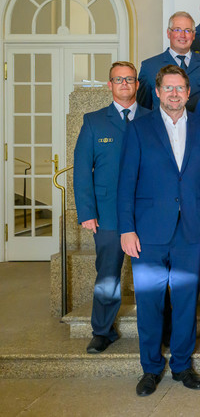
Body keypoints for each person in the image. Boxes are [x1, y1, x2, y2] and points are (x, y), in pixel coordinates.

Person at [118, 64, 200, 396]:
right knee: (150, 302)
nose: (174, 94)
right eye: (168, 88)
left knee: (187, 300)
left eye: (180, 88)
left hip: (191, 227)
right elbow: (125, 182)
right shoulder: (139, 129)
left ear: (188, 93)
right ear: (158, 92)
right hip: (148, 231)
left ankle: (183, 365)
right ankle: (150, 368)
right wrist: (126, 229)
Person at [74, 61, 149, 354]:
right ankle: (103, 331)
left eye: (129, 80)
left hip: (145, 213)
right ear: (110, 85)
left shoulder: (150, 118)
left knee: (151, 276)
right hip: (106, 214)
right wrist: (87, 212)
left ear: (137, 85)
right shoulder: (94, 121)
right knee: (107, 274)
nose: (125, 85)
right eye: (119, 80)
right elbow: (82, 170)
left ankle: (155, 328)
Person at [137, 11, 200, 112]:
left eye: (188, 31)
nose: (183, 35)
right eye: (177, 30)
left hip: (199, 126)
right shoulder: (149, 67)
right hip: (162, 127)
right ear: (168, 33)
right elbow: (143, 110)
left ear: (193, 35)